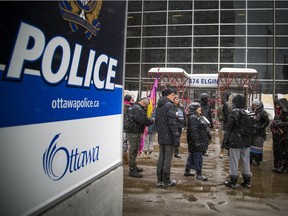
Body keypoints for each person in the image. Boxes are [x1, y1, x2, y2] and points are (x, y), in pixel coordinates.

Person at [222, 94, 253, 189]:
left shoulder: (234, 113)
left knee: (234, 161)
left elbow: (228, 129)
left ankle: (233, 181)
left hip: (235, 141)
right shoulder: (249, 112)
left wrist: (225, 141)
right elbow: (253, 128)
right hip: (246, 141)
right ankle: (247, 181)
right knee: (246, 161)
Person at [155, 88, 180, 188]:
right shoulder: (170, 105)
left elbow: (157, 121)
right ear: (168, 95)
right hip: (169, 136)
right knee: (167, 159)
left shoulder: (159, 106)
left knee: (161, 157)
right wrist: (176, 135)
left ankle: (159, 180)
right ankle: (166, 180)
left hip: (162, 135)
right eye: (173, 94)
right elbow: (172, 122)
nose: (174, 96)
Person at [124, 98, 154, 178]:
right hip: (134, 132)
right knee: (133, 150)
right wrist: (152, 120)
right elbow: (143, 120)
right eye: (146, 106)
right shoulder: (137, 108)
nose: (146, 108)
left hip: (134, 131)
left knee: (134, 150)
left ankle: (134, 166)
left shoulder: (135, 107)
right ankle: (132, 170)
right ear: (144, 104)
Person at [184, 102, 209, 181]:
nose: (200, 108)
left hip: (195, 140)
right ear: (195, 109)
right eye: (198, 107)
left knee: (192, 155)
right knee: (198, 156)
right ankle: (199, 174)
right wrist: (196, 142)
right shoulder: (193, 118)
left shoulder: (196, 117)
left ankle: (187, 170)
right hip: (196, 141)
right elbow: (193, 131)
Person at [270, 98, 288, 173]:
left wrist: (282, 124)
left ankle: (284, 166)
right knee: (278, 152)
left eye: (278, 104)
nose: (277, 106)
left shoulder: (286, 113)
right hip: (277, 136)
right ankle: (278, 165)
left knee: (283, 152)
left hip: (284, 136)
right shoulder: (278, 112)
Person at [250, 99, 269, 166]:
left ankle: (257, 160)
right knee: (252, 146)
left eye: (254, 105)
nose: (253, 106)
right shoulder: (252, 111)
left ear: (257, 105)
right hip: (253, 132)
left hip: (260, 133)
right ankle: (251, 159)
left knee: (258, 147)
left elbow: (267, 122)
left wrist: (261, 127)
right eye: (253, 105)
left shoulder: (263, 112)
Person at [173, 94, 187, 158]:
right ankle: (172, 151)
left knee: (178, 139)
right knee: (173, 138)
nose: (177, 100)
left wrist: (185, 124)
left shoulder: (181, 107)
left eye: (178, 99)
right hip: (174, 125)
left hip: (180, 125)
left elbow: (184, 115)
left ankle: (176, 152)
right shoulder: (171, 106)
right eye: (176, 99)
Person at [123, 94, 134, 164]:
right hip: (127, 128)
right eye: (132, 100)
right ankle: (126, 160)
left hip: (121, 128)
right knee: (126, 144)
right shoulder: (130, 108)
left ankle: (124, 158)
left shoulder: (120, 106)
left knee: (124, 144)